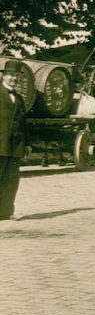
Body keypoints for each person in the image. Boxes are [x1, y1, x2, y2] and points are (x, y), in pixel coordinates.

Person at [0, 61, 28, 220]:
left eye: (17, 76)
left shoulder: (19, 98)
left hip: (15, 146)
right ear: (4, 75)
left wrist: (27, 144)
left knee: (11, 180)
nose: (14, 79)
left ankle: (5, 212)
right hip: (0, 143)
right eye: (11, 75)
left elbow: (24, 124)